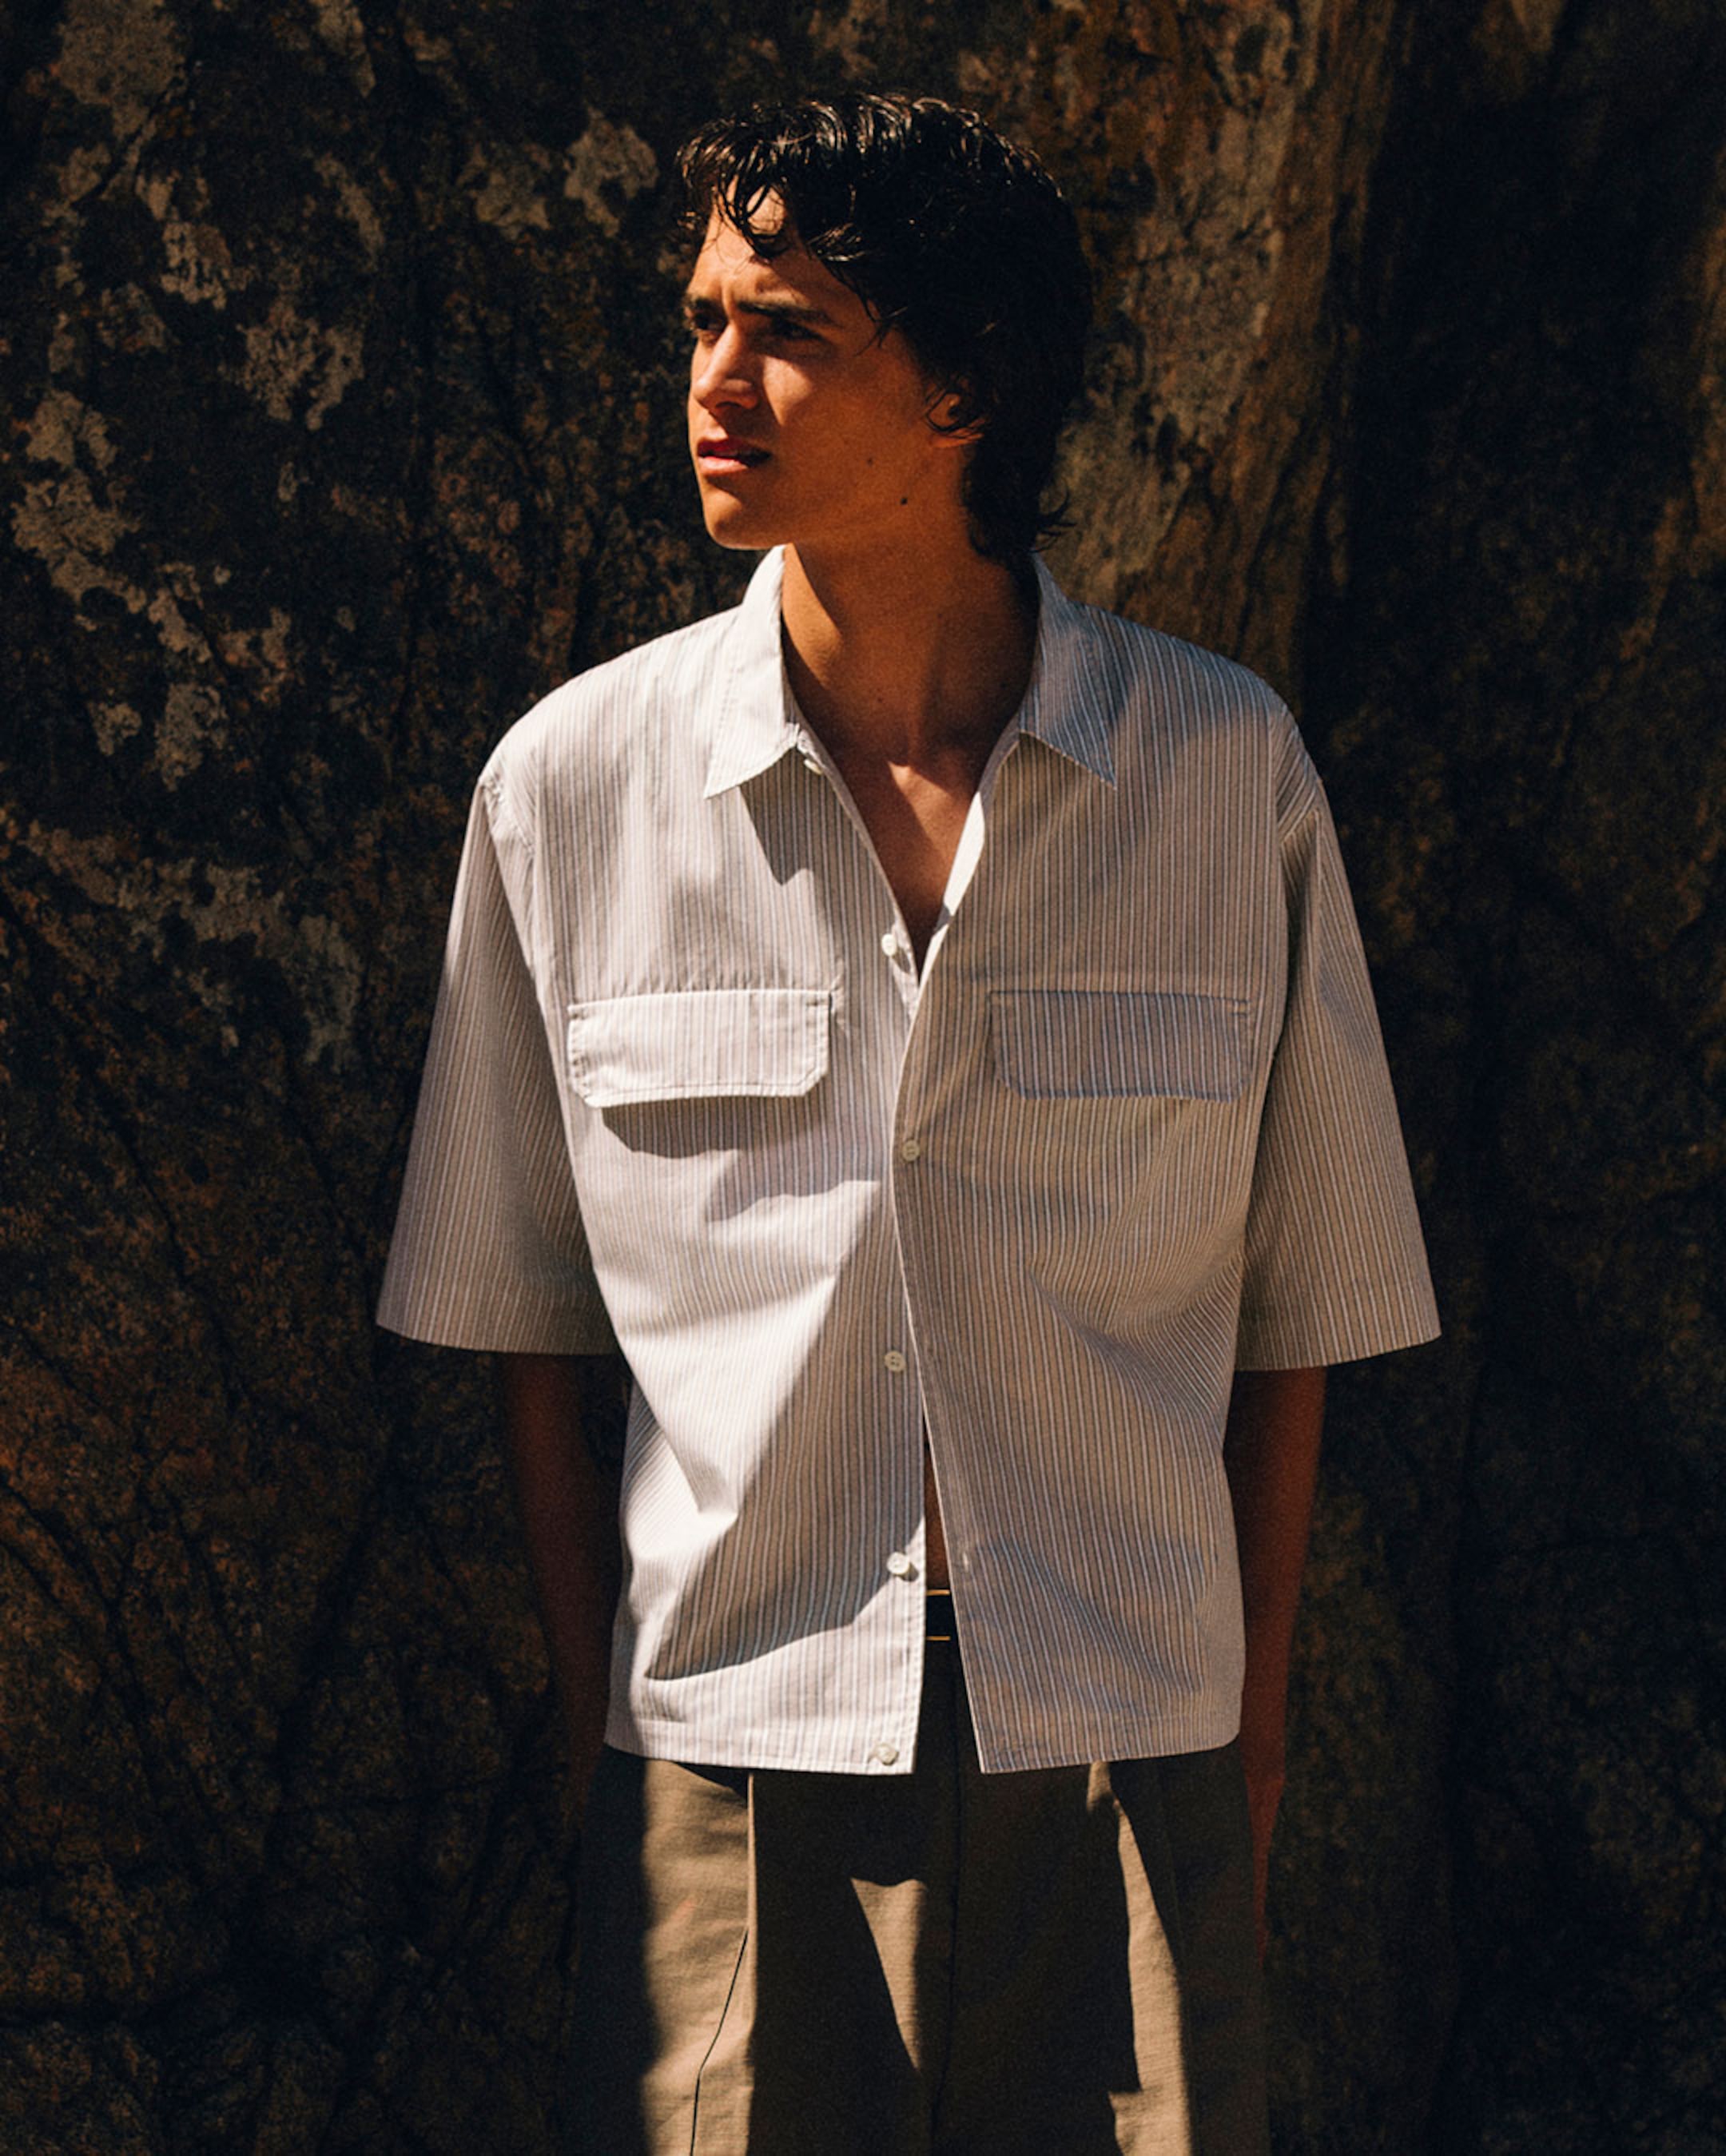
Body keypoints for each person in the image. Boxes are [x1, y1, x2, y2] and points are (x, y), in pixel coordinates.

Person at [378, 92, 1439, 2156]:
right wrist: (637, 1734)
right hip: (727, 1769)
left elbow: (1300, 1313)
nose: (711, 380)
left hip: (1131, 1755)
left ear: (960, 383)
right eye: (698, 319)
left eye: (784, 329)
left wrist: (1250, 1740)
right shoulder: (571, 795)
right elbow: (516, 1322)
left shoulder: (1227, 782)